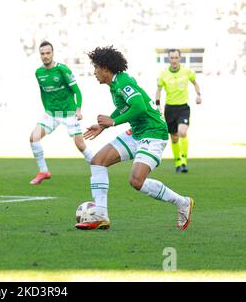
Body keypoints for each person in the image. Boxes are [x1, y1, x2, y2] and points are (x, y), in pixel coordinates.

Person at [76, 46, 194, 231]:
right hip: (137, 132)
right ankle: (101, 215)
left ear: (106, 68)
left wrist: (113, 122)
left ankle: (182, 202)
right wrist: (104, 125)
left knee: (136, 181)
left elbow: (138, 106)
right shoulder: (115, 85)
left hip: (153, 133)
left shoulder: (122, 82)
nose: (94, 72)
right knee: (98, 162)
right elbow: (126, 108)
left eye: (96, 67)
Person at [29, 41, 95, 185]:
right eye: (42, 53)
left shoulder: (63, 70)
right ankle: (43, 171)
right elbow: (43, 92)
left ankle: (97, 165)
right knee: (33, 137)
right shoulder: (38, 73)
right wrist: (46, 109)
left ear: (52, 53)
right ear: (39, 55)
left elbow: (76, 91)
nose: (45, 56)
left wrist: (78, 109)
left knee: (80, 145)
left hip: (69, 113)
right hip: (51, 114)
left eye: (48, 53)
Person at [156, 49, 202, 173]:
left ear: (179, 58)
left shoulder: (187, 72)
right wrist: (158, 104)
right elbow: (159, 90)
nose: (174, 60)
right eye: (172, 58)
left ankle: (184, 162)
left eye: (176, 57)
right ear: (169, 59)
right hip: (170, 108)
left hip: (183, 108)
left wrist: (198, 95)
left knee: (182, 132)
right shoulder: (163, 74)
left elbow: (195, 83)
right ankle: (177, 163)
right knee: (174, 137)